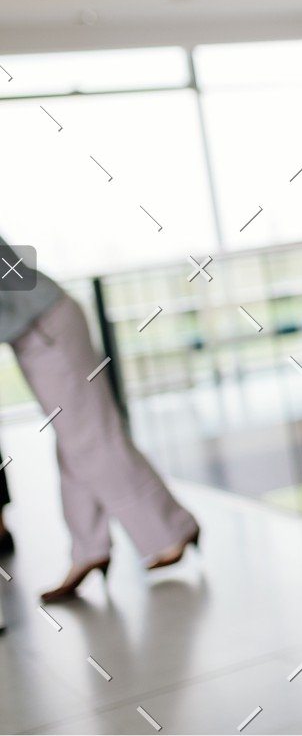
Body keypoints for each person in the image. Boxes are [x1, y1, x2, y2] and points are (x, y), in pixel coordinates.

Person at [0, 235, 200, 602]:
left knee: (90, 440)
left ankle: (173, 530)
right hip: (37, 332)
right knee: (76, 442)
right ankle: (89, 551)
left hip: (45, 328)